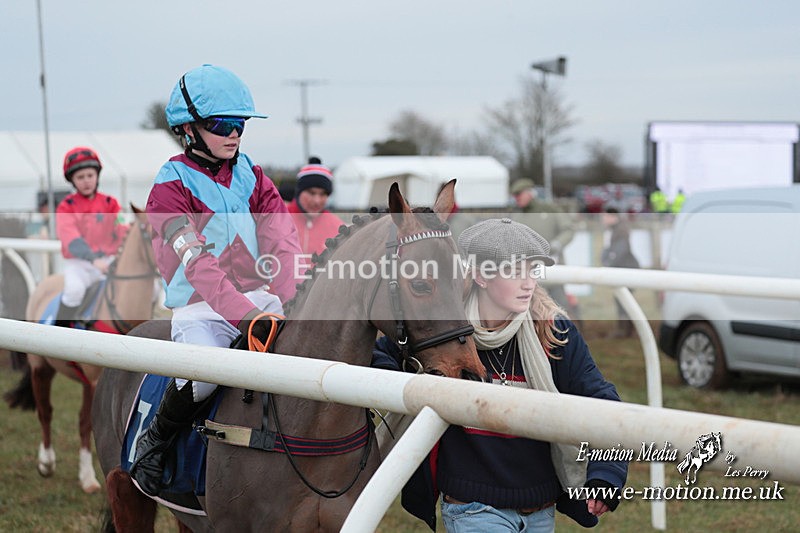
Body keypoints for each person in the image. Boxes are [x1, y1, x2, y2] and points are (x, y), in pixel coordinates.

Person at [373, 218, 628, 532]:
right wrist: (410, 386)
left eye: (533, 271)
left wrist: (607, 471)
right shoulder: (441, 330)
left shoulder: (553, 331)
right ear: (481, 275)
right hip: (471, 508)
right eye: (515, 272)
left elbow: (601, 400)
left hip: (541, 509)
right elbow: (378, 354)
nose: (528, 283)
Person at [131, 64, 303, 497]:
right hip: (200, 310)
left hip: (260, 300)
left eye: (241, 124)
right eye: (222, 125)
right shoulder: (168, 187)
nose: (235, 134)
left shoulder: (254, 175)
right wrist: (246, 317)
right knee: (204, 378)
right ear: (188, 129)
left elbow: (283, 241)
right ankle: (155, 442)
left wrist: (294, 299)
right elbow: (198, 265)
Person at [54, 146, 128, 327]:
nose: (86, 181)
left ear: (97, 176)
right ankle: (59, 332)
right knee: (74, 291)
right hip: (80, 265)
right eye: (80, 177)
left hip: (108, 261)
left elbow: (122, 229)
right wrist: (94, 260)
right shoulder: (66, 206)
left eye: (90, 175)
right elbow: (71, 239)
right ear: (72, 181)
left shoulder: (111, 203)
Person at [510, 179, 577, 316]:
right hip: (528, 271)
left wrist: (557, 244)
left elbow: (568, 229)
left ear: (529, 193)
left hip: (553, 266)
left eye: (519, 194)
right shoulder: (516, 216)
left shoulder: (550, 210)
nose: (517, 198)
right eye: (515, 195)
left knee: (559, 306)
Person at [287, 156, 343, 260]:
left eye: (322, 194)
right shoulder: (279, 219)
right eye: (311, 193)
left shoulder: (337, 227)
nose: (317, 201)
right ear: (299, 192)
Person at [601, 207, 640, 338]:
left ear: (613, 217)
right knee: (623, 300)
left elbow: (619, 251)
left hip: (626, 269)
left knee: (624, 301)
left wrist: (608, 262)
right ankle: (626, 330)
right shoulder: (614, 231)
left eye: (606, 216)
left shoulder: (620, 231)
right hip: (623, 269)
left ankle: (625, 331)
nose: (603, 219)